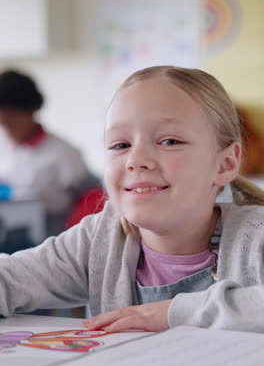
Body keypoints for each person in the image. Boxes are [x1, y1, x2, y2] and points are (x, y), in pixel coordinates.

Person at [1, 65, 264, 334]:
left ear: (224, 164)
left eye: (170, 141)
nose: (136, 160)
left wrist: (174, 313)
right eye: (120, 145)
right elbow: (10, 279)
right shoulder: (99, 240)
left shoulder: (256, 237)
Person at [0, 69, 101, 235]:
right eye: (2, 123)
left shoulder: (64, 153)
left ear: (31, 110)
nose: (8, 129)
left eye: (11, 121)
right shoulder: (3, 149)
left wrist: (75, 234)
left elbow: (92, 197)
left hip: (54, 240)